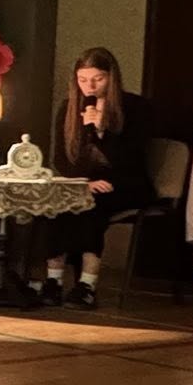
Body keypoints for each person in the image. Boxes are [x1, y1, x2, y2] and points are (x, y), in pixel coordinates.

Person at [38, 46, 151, 309]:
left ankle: (86, 285)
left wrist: (102, 133)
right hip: (84, 182)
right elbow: (61, 159)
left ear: (111, 77)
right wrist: (83, 183)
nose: (89, 87)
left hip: (124, 182)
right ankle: (53, 280)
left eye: (97, 79)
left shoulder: (135, 107)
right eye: (83, 80)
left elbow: (130, 160)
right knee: (56, 205)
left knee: (91, 207)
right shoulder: (69, 107)